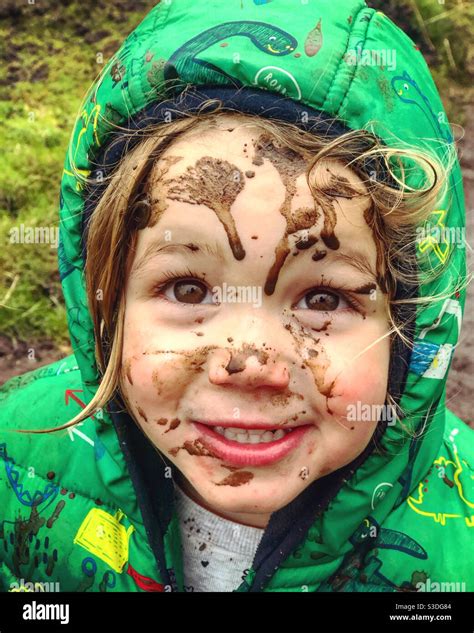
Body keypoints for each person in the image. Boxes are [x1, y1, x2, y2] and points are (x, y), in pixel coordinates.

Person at [0, 0, 472, 593]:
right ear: (106, 301)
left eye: (323, 299)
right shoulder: (12, 455)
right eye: (187, 288)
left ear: (414, 325)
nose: (248, 363)